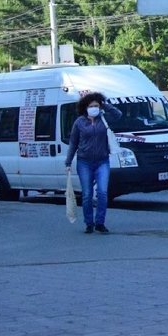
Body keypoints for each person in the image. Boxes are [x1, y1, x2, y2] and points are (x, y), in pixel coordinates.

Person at [64, 92, 123, 234]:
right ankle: (89, 223)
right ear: (85, 107)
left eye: (97, 105)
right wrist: (68, 162)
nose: (94, 108)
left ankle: (100, 223)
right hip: (84, 162)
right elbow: (73, 143)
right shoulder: (79, 122)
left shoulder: (103, 118)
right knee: (87, 194)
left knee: (102, 192)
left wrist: (105, 104)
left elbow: (118, 115)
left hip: (102, 161)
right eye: (92, 106)